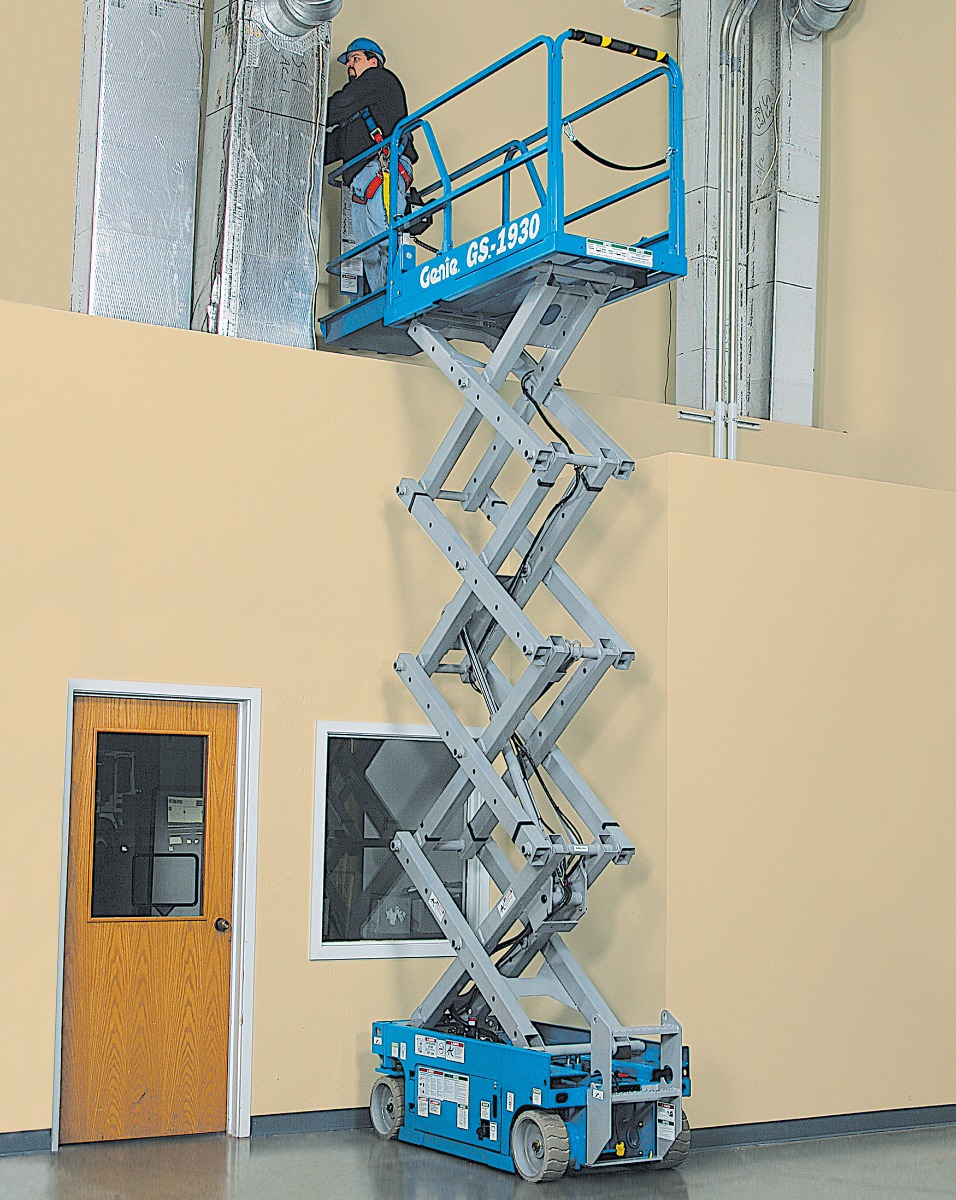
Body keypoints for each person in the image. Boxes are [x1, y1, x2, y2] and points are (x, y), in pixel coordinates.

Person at [325, 38, 416, 294]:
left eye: (356, 58)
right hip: (361, 183)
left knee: (384, 234)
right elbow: (331, 146)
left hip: (383, 169)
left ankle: (398, 293)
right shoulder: (356, 117)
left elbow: (338, 105)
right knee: (368, 250)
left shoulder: (380, 79)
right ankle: (381, 297)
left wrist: (307, 111)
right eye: (348, 61)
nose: (350, 65)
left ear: (373, 61)